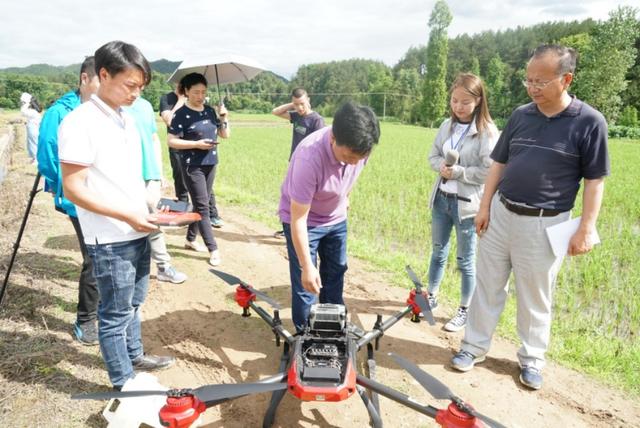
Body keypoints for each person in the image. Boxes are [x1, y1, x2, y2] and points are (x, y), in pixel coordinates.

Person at [450, 44, 609, 390]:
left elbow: (595, 180)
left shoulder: (589, 122)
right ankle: (473, 346)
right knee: (487, 285)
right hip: (502, 213)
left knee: (536, 294)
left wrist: (586, 226)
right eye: (528, 81)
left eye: (541, 81)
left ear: (566, 79)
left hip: (546, 222)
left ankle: (532, 359)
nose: (533, 88)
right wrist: (485, 206)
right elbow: (500, 164)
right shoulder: (522, 115)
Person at [59, 41, 176, 390]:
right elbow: (74, 189)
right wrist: (126, 214)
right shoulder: (80, 123)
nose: (136, 94)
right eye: (130, 85)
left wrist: (147, 206)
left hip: (137, 228)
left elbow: (121, 177)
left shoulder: (124, 119)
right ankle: (123, 382)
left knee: (134, 303)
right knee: (113, 315)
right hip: (110, 237)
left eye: (141, 87)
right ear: (103, 74)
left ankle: (135, 354)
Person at [279, 101, 380, 332]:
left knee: (335, 274)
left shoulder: (360, 149)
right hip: (306, 221)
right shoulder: (309, 158)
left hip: (336, 218)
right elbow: (298, 220)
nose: (354, 162)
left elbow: (351, 174)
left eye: (360, 157)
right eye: (348, 157)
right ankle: (305, 335)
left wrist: (346, 196)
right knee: (307, 284)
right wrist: (306, 265)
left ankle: (333, 329)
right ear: (333, 138)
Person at [425, 73, 498, 332]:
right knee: (438, 250)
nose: (458, 106)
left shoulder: (487, 132)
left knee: (465, 260)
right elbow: (433, 156)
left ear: (478, 101)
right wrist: (442, 168)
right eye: (454, 100)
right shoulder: (447, 125)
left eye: (465, 102)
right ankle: (430, 296)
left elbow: (491, 171)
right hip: (441, 199)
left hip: (467, 204)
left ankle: (464, 310)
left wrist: (459, 173)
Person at [37, 56, 101, 345]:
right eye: (102, 80)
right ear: (85, 79)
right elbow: (48, 157)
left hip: (103, 195)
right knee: (94, 256)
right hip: (77, 196)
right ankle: (86, 320)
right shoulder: (60, 112)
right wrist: (64, 188)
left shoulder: (104, 110)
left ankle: (103, 311)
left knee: (103, 252)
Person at [167, 72, 230, 266]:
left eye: (203, 92)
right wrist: (196, 144)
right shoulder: (180, 115)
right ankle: (213, 248)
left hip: (211, 162)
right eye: (196, 92)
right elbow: (171, 141)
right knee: (203, 205)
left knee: (199, 203)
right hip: (191, 166)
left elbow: (224, 135)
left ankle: (190, 239)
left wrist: (224, 117)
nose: (200, 96)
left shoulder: (210, 111)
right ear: (186, 91)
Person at [125, 96, 188, 284]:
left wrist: (159, 172)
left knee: (153, 221)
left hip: (149, 174)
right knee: (126, 222)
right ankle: (129, 268)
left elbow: (153, 139)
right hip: (126, 175)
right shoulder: (114, 104)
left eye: (141, 83)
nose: (137, 89)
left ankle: (163, 266)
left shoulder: (145, 105)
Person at [272, 88, 325, 238]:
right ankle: (289, 227)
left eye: (302, 103)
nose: (299, 107)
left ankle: (301, 230)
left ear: (308, 100)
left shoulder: (316, 120)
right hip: (294, 163)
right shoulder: (296, 116)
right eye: (296, 104)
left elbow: (320, 146)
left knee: (302, 199)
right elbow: (275, 111)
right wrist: (292, 105)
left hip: (308, 167)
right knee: (289, 195)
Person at [159, 84, 189, 204]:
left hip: (196, 144)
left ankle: (210, 214)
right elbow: (170, 121)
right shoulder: (166, 99)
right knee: (180, 178)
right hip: (176, 144)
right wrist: (181, 100)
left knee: (201, 179)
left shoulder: (193, 95)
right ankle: (183, 207)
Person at [20, 92, 42, 163]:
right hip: (33, 129)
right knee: (33, 144)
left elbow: (23, 112)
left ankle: (36, 160)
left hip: (33, 130)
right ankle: (34, 158)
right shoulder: (34, 111)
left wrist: (26, 103)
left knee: (33, 144)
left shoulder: (33, 111)